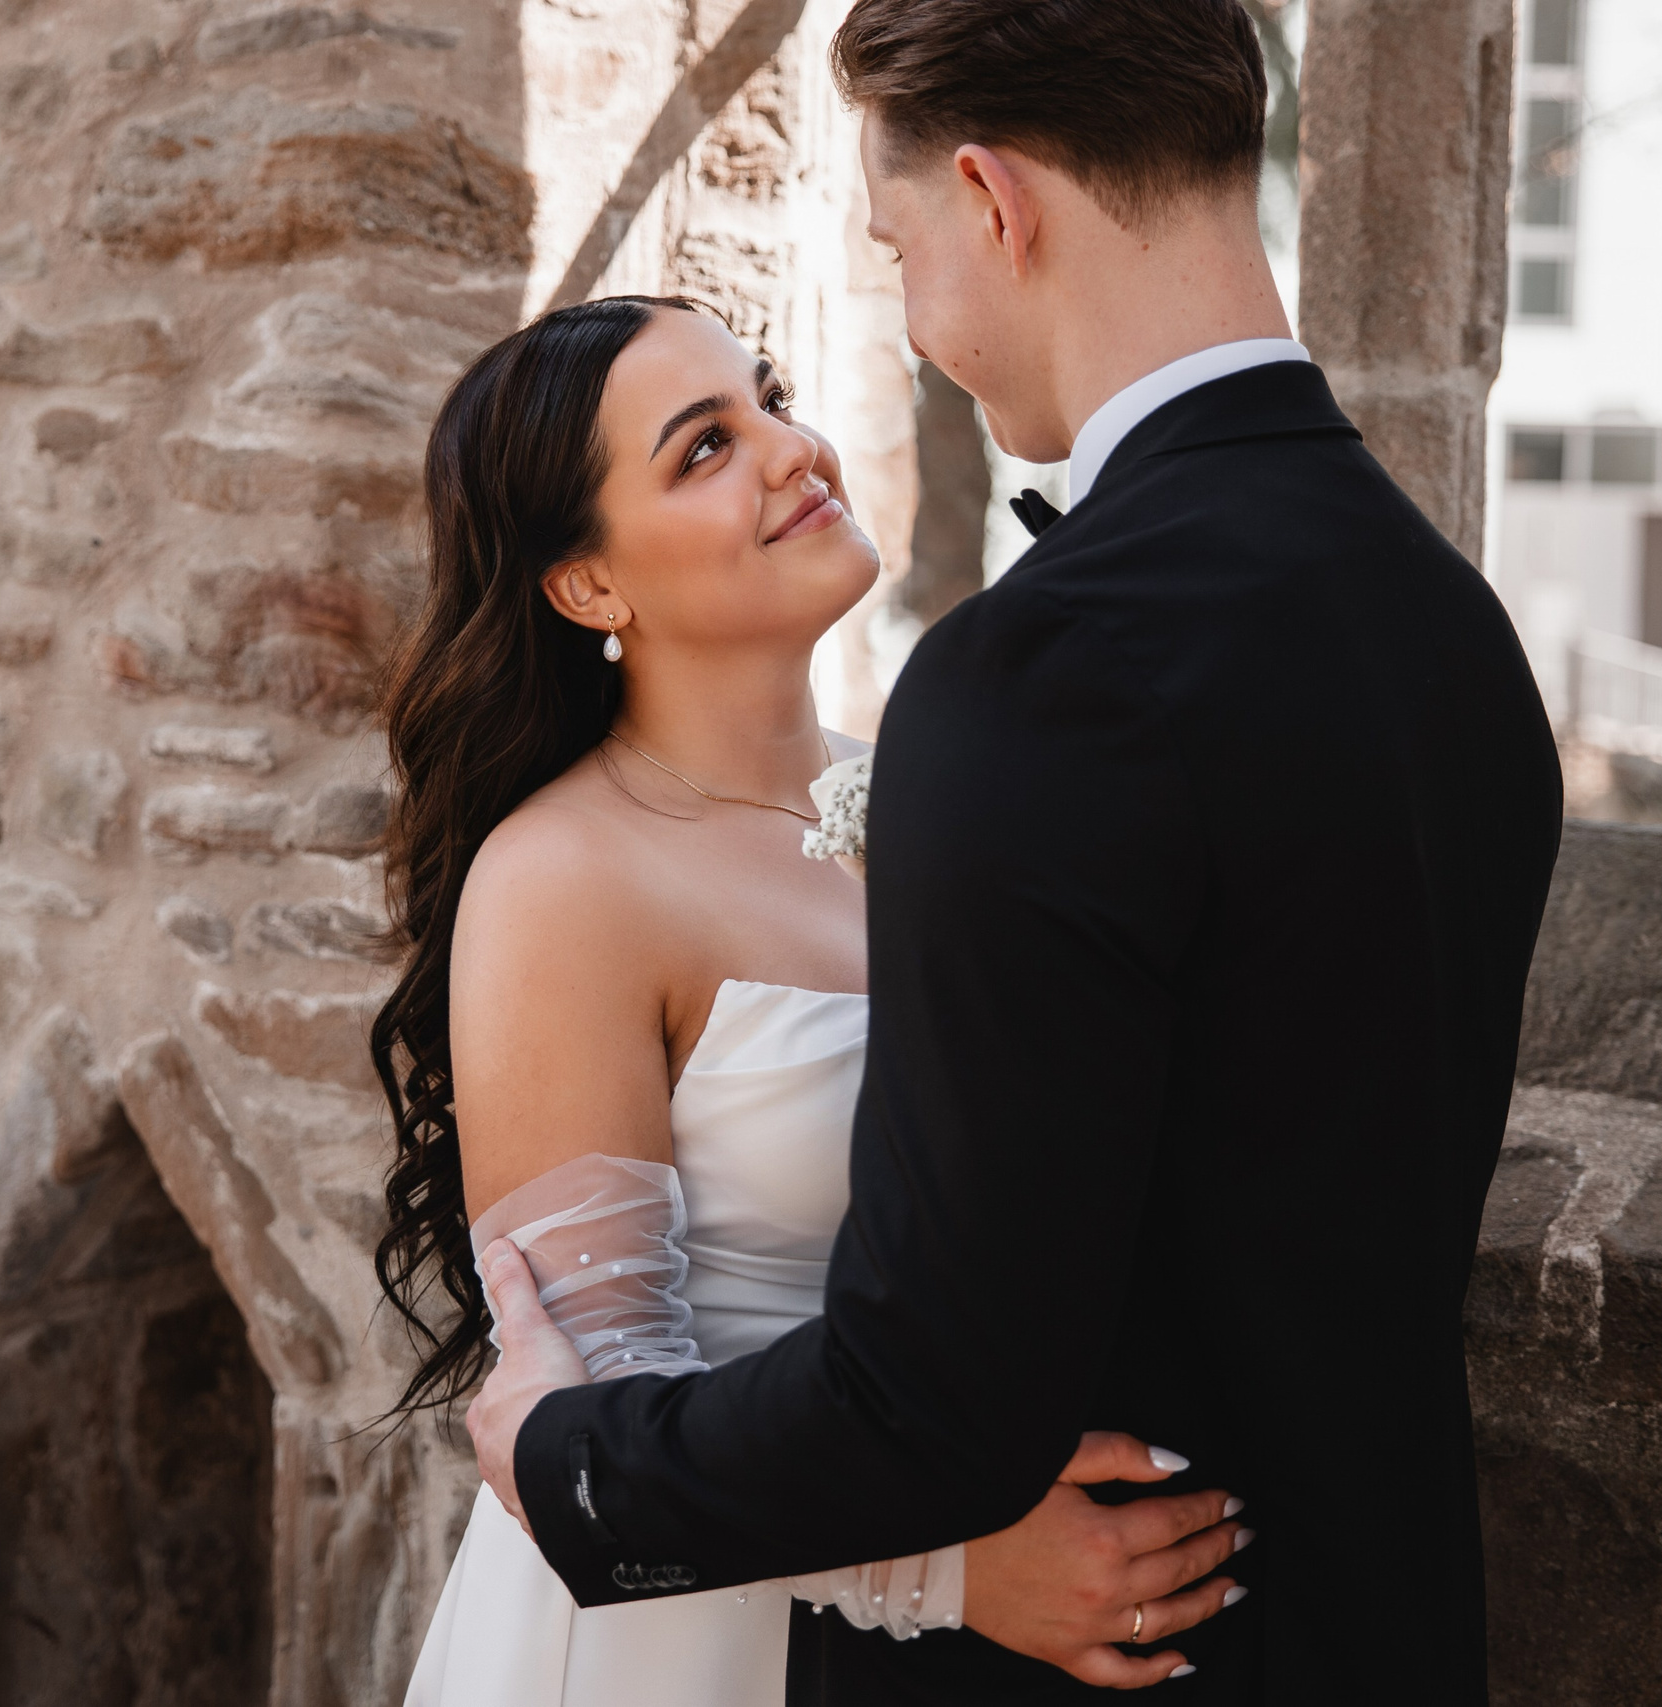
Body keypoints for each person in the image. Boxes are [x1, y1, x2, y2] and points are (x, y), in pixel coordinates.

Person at [460, 0, 1566, 1703]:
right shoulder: (1459, 633)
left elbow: (935, 1392)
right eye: (703, 441)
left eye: (900, 250)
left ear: (993, 198)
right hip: (1384, 1628)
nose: (902, 340)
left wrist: (569, 1467)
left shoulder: (1033, 681)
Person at [379, 294, 1252, 1707]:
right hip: (679, 1645)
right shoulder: (564, 878)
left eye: (771, 397)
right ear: (590, 586)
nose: (795, 450)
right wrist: (952, 1575)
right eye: (704, 448)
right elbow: (588, 1409)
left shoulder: (939, 792)